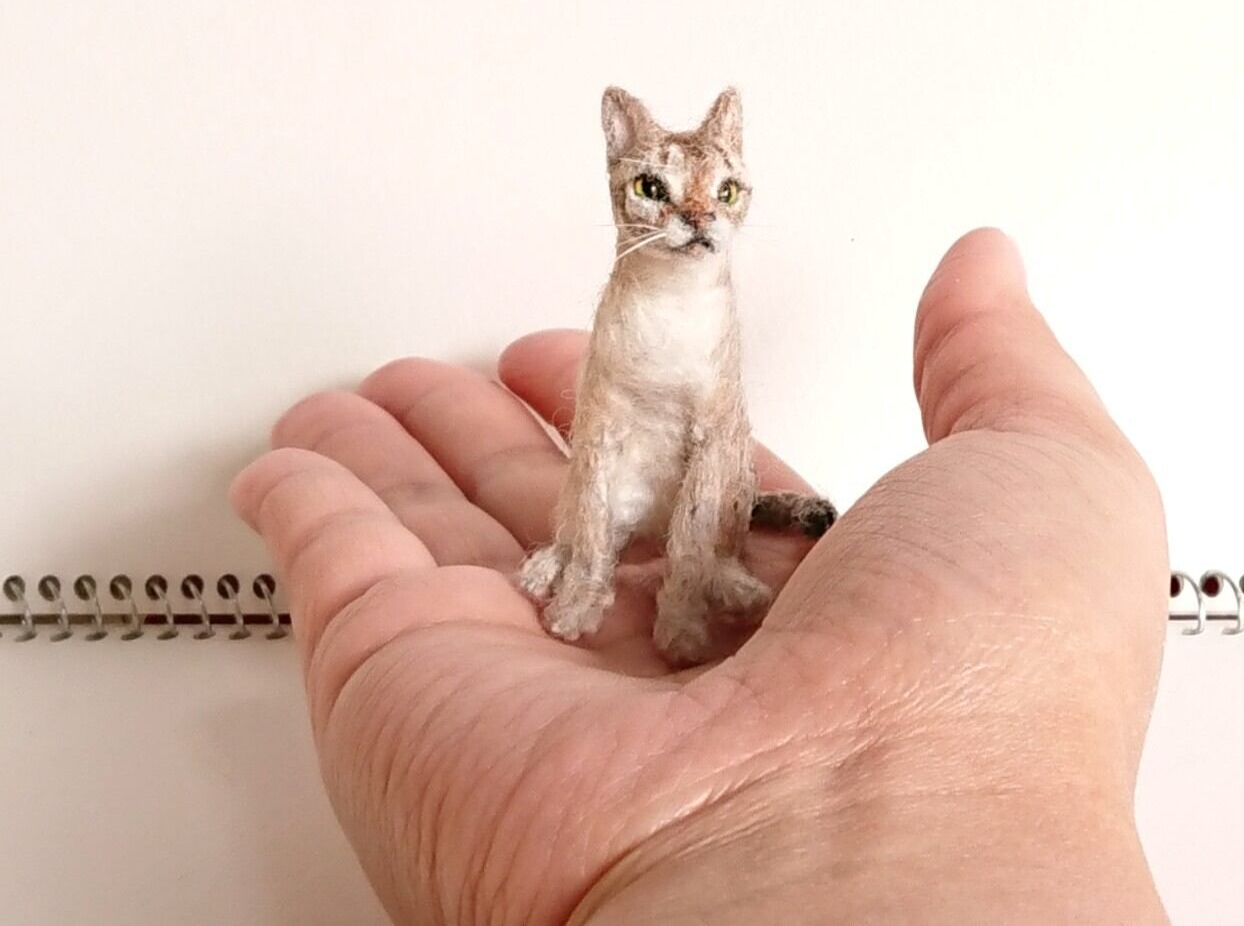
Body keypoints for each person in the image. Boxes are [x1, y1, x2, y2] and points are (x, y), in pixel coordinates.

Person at [229, 228, 1169, 924]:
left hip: (701, 501)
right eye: (654, 191)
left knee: (703, 466)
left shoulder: (711, 309)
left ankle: (697, 570)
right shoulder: (627, 301)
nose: (689, 218)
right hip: (620, 492)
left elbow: (715, 434)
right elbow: (602, 436)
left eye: (717, 194)